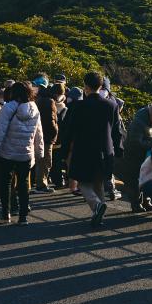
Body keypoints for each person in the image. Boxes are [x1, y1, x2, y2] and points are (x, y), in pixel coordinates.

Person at [65, 71, 124, 229]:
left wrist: (66, 149)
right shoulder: (112, 105)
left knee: (83, 182)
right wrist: (118, 149)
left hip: (84, 149)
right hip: (105, 150)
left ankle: (96, 205)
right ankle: (99, 214)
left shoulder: (78, 106)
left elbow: (70, 130)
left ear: (85, 86)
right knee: (98, 182)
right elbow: (117, 131)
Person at [0, 82, 45, 223]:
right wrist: (40, 152)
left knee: (6, 183)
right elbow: (39, 132)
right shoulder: (34, 107)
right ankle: (23, 216)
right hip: (26, 153)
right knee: (24, 184)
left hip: (7, 153)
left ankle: (5, 214)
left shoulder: (8, 107)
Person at [118, 103, 152, 212]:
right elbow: (135, 142)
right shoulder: (138, 124)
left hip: (148, 156)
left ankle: (146, 200)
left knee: (148, 178)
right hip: (134, 156)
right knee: (134, 180)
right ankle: (136, 203)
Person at [34, 81, 64, 193]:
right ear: (58, 94)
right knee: (46, 161)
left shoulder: (41, 99)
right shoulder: (50, 102)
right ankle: (41, 185)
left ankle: (40, 183)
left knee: (40, 161)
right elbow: (51, 121)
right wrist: (55, 133)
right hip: (47, 136)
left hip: (40, 134)